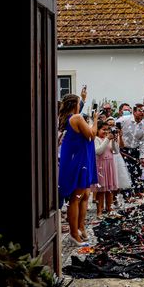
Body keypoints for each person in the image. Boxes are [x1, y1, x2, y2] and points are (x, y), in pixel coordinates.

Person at [58, 93, 98, 246]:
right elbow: (91, 135)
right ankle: (74, 233)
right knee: (76, 198)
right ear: (74, 104)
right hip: (79, 160)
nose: (80, 105)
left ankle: (78, 229)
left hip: (78, 158)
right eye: (79, 102)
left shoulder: (71, 118)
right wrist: (95, 121)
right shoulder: (77, 118)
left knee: (81, 196)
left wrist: (83, 98)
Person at [118, 103, 144, 197]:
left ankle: (136, 192)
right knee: (125, 172)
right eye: (140, 110)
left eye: (143, 111)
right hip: (123, 150)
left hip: (135, 150)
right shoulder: (124, 120)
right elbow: (114, 127)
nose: (142, 113)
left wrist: (142, 156)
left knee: (137, 171)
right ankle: (126, 194)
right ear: (134, 112)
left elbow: (143, 142)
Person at [92, 121, 118, 217]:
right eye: (103, 129)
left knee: (110, 189)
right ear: (97, 130)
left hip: (110, 165)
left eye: (107, 130)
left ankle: (109, 208)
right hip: (101, 166)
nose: (106, 131)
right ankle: (99, 210)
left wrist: (114, 141)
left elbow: (116, 151)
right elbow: (99, 151)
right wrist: (107, 139)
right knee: (101, 190)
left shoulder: (109, 139)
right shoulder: (96, 139)